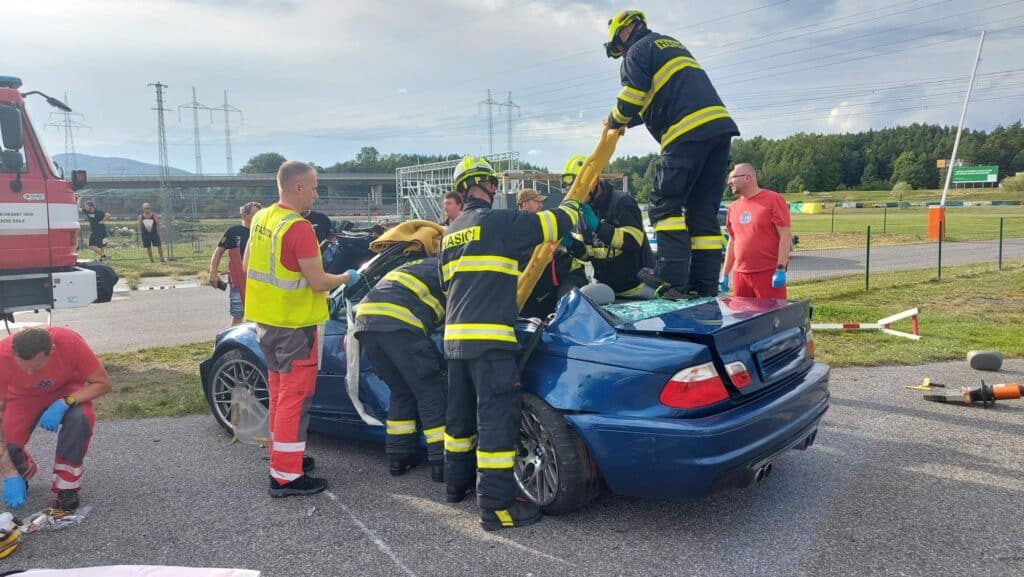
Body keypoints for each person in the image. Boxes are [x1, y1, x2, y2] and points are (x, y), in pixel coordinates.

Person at [440, 156, 579, 531]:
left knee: (459, 419)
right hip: (490, 341)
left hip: (454, 342)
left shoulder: (450, 234)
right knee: (496, 421)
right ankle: (497, 507)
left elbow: (447, 287)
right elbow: (555, 223)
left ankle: (455, 486)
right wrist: (575, 202)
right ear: (490, 185)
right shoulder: (498, 222)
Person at [243, 161, 359, 498]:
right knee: (294, 399)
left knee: (280, 396)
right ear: (297, 188)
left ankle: (284, 458)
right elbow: (318, 280)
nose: (316, 193)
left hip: (267, 324)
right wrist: (347, 278)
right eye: (313, 186)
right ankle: (285, 477)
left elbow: (250, 264)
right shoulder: (298, 228)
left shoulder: (263, 218)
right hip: (297, 327)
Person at [604, 10, 738, 298]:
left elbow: (631, 96)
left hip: (684, 131)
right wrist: (629, 120)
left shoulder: (637, 51)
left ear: (624, 31)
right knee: (702, 212)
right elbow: (656, 99)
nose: (620, 52)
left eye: (617, 47)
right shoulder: (668, 44)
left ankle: (671, 281)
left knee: (665, 205)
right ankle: (703, 285)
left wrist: (614, 119)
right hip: (718, 131)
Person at [351, 257, 446, 483]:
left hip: (366, 324)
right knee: (429, 391)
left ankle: (399, 458)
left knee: (401, 390)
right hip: (399, 324)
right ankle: (442, 463)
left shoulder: (417, 264)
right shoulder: (448, 269)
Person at [0, 327, 111, 512]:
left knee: (80, 420)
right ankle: (21, 472)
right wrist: (9, 472)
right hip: (21, 397)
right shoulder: (1, 357)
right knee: (7, 441)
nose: (29, 373)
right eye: (22, 367)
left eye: (35, 367)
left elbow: (103, 383)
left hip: (65, 389)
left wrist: (66, 402)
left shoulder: (71, 343)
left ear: (51, 351)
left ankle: (67, 488)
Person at [562, 155, 655, 300]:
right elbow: (587, 255)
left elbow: (633, 241)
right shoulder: (582, 212)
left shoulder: (622, 202)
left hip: (637, 289)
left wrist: (599, 228)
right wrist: (570, 244)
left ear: (594, 182)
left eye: (580, 188)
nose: (577, 195)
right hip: (606, 291)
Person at [720, 164, 791, 299]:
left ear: (747, 178)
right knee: (743, 317)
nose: (729, 182)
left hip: (767, 273)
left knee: (770, 317)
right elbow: (733, 241)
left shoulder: (773, 200)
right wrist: (725, 274)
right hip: (740, 275)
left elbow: (785, 235)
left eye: (732, 178)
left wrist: (780, 268)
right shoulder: (733, 208)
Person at [516, 188, 584, 318]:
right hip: (527, 308)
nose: (541, 205)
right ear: (524, 204)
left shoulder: (540, 227)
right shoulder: (519, 231)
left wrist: (563, 301)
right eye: (536, 202)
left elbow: (573, 267)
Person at [209, 201, 261, 326]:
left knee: (258, 316)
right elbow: (218, 251)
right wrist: (213, 272)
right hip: (237, 281)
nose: (259, 216)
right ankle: (232, 340)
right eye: (256, 214)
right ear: (245, 215)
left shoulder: (262, 232)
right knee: (238, 314)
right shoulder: (233, 232)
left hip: (258, 280)